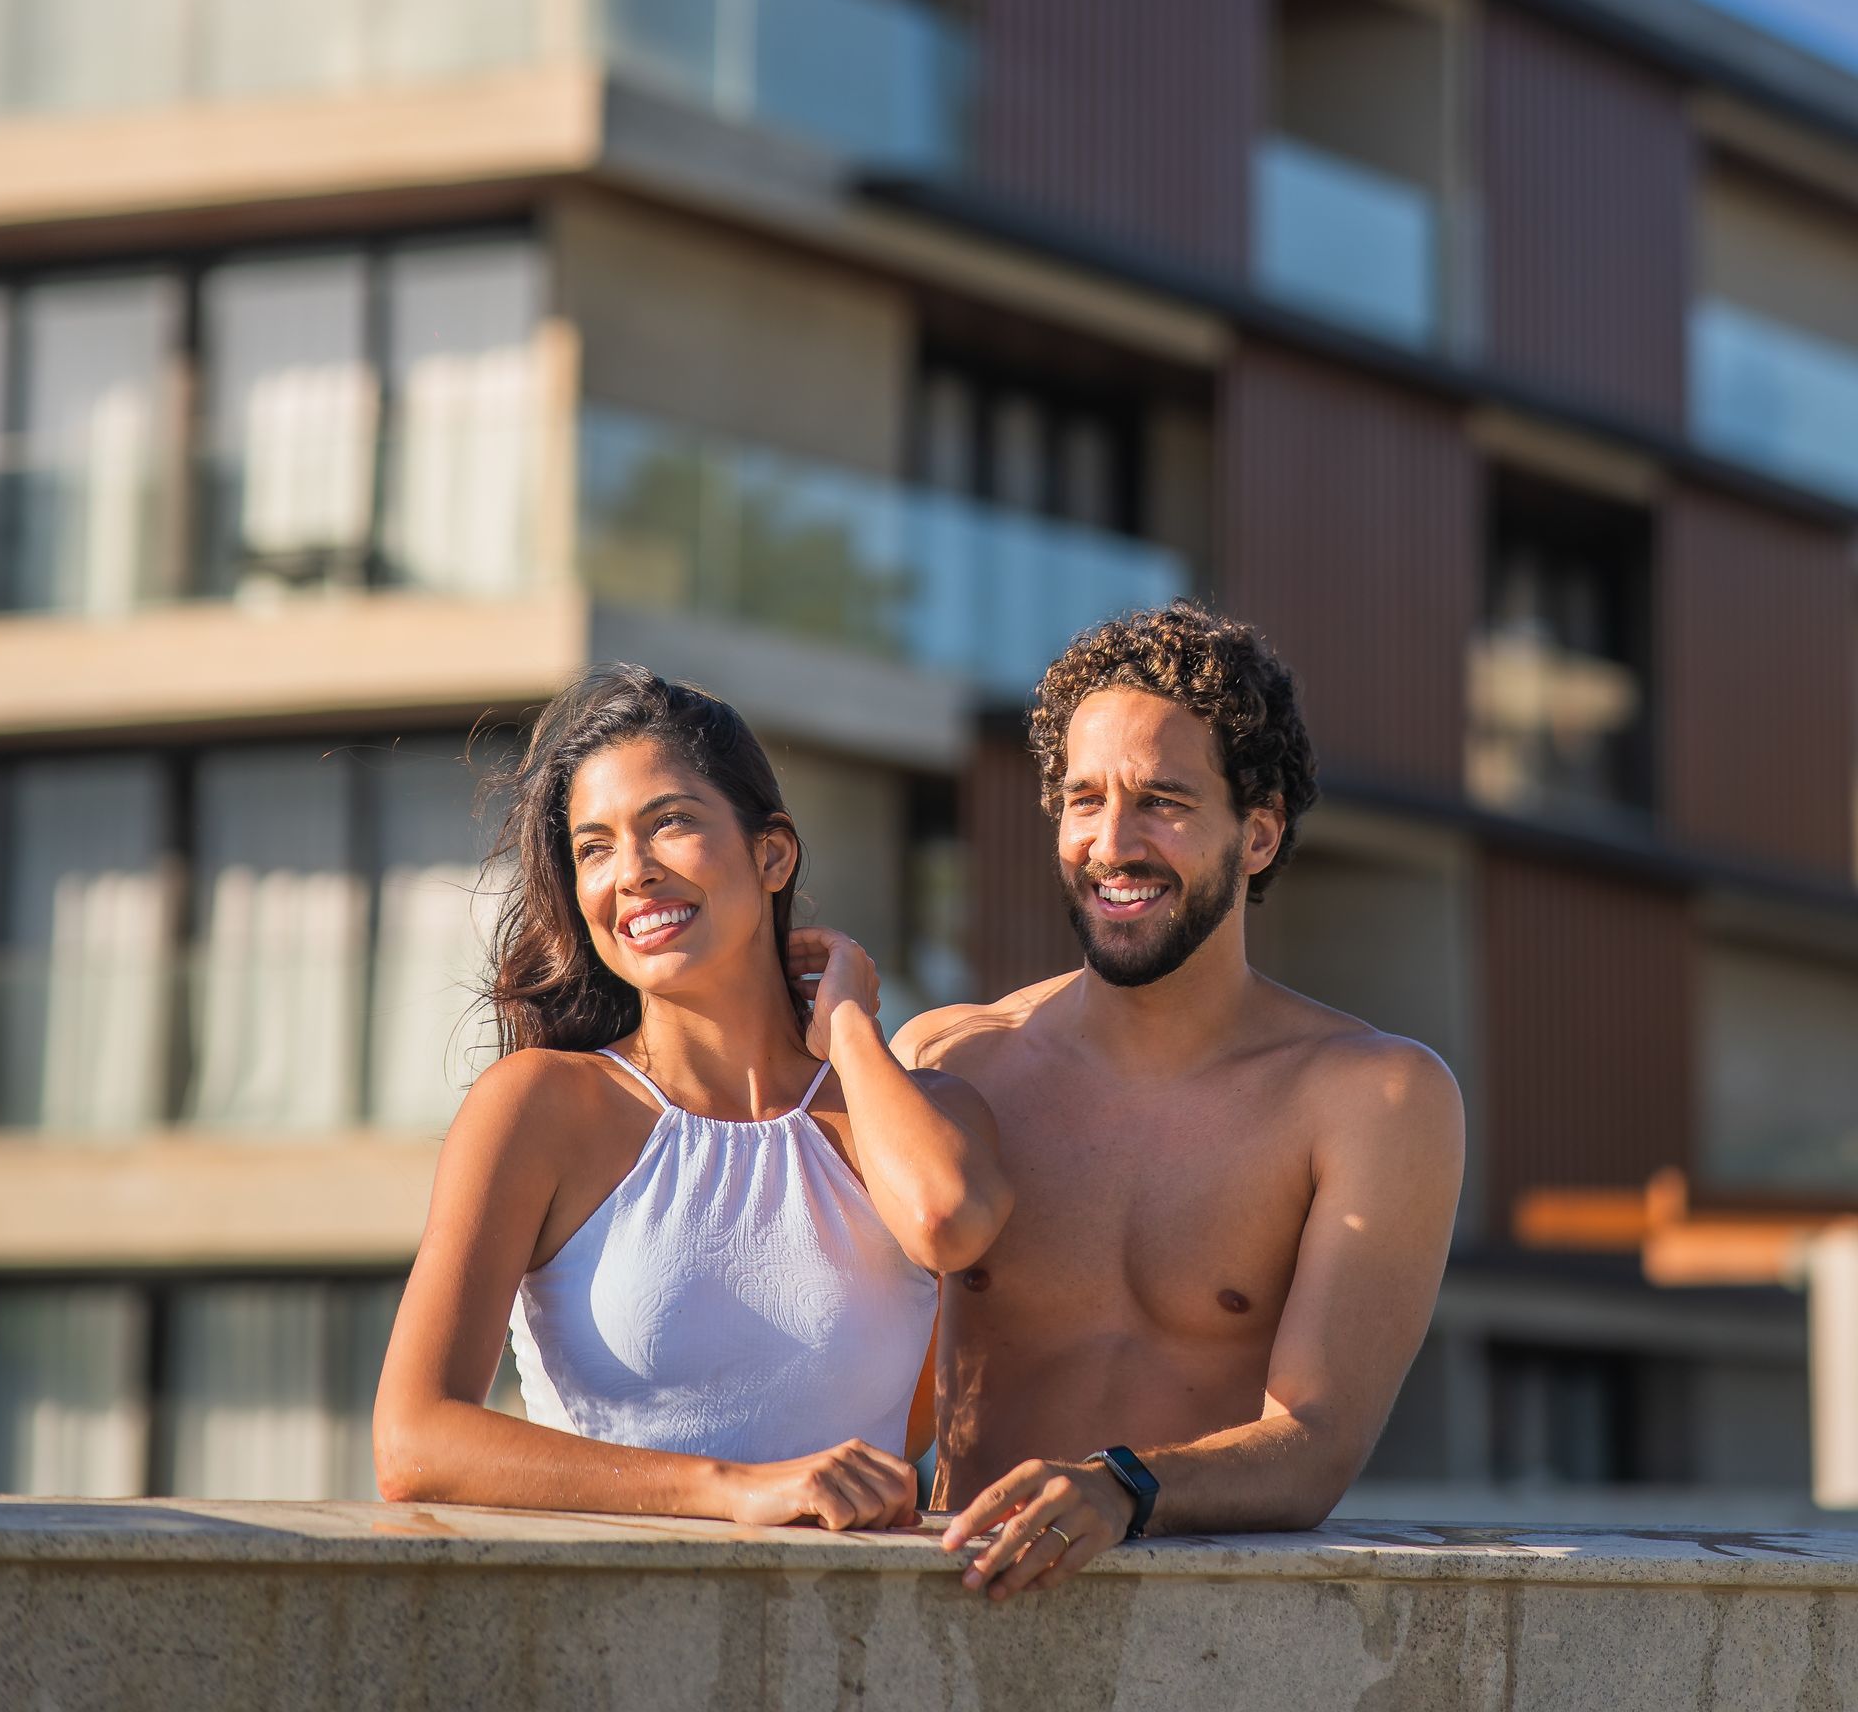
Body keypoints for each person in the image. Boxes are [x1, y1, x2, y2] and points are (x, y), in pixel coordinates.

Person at [895, 600, 1465, 1598]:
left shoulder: (1373, 1095)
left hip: (1209, 1643)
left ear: (1257, 835)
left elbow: (1318, 1441)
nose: (1113, 844)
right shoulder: (950, 1059)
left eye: (1162, 800)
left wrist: (1123, 1487)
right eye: (1084, 800)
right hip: (958, 1620)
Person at [375, 664, 1011, 1529]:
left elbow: (950, 1220)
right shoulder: (540, 1108)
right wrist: (735, 1489)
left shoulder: (916, 1115)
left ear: (772, 853)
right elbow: (415, 1441)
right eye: (594, 846)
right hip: (601, 1636)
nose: (630, 872)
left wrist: (851, 1029)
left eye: (669, 823)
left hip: (865, 1648)